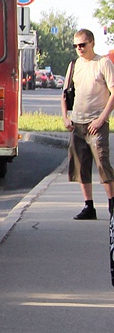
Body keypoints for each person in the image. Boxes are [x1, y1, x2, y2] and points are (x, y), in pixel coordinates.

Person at [63, 29, 114, 220]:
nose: (79, 49)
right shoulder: (74, 65)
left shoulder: (103, 63)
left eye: (82, 45)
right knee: (80, 166)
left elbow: (113, 92)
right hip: (77, 123)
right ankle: (88, 206)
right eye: (76, 45)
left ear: (92, 43)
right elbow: (65, 94)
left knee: (103, 165)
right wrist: (65, 117)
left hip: (96, 124)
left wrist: (101, 119)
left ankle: (112, 205)